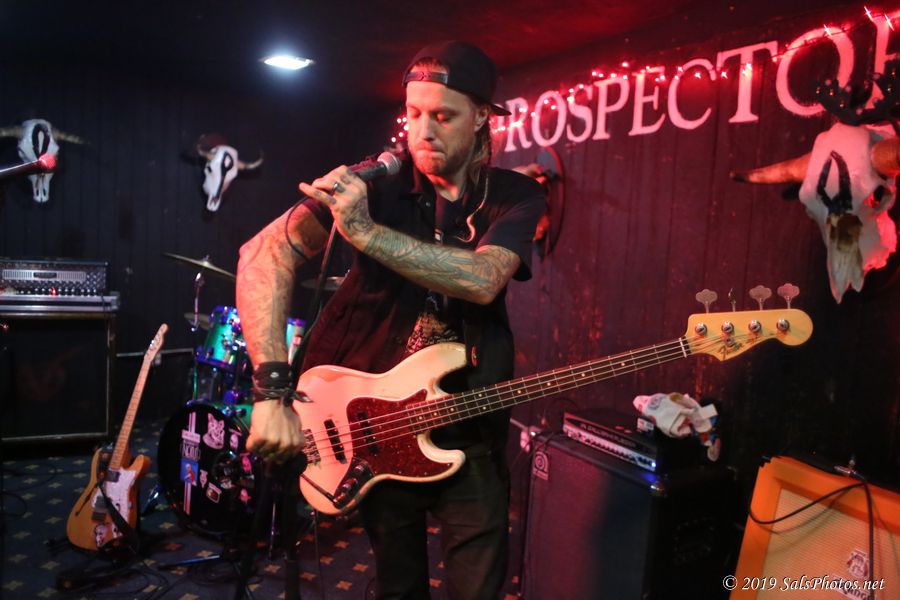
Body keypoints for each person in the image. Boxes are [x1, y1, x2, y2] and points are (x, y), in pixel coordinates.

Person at [236, 40, 545, 599]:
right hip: (377, 428)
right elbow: (262, 254)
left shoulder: (513, 194)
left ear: (481, 117)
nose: (423, 131)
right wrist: (270, 392)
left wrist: (365, 234)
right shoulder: (376, 183)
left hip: (470, 426)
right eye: (414, 113)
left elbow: (483, 280)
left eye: (443, 116)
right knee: (397, 588)